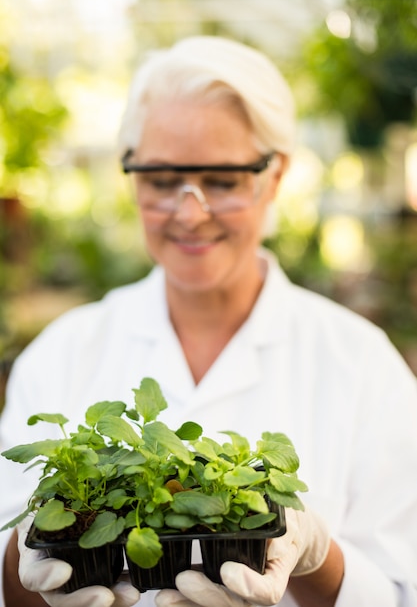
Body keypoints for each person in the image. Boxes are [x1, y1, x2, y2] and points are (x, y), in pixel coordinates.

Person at [1, 35, 417, 607]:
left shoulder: (362, 362)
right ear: (131, 175)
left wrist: (316, 560)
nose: (191, 213)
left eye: (222, 181)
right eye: (161, 180)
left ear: (274, 177)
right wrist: (27, 566)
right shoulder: (63, 353)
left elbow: (401, 589)